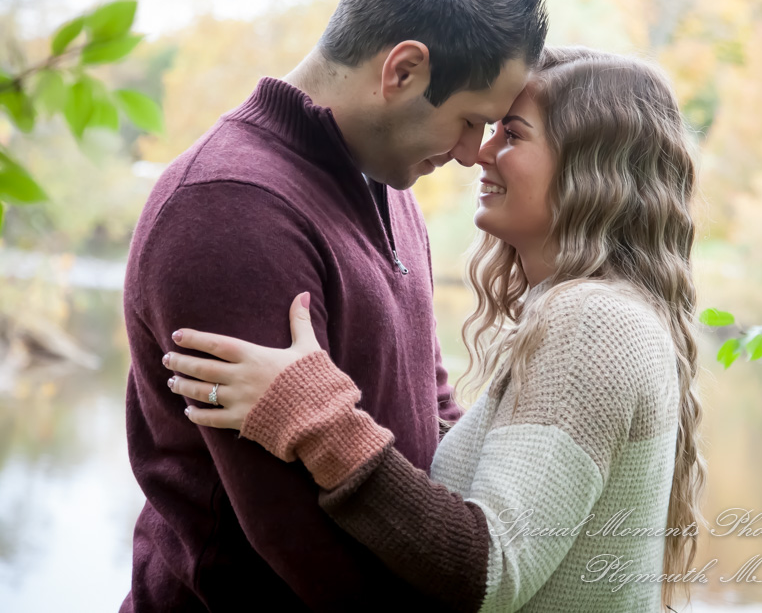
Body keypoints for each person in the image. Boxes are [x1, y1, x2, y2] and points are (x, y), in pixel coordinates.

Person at [163, 46, 707, 612]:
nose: (481, 153)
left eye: (512, 135)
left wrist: (313, 417)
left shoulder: (594, 321)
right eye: (486, 127)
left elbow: (494, 571)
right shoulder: (590, 311)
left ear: (592, 170)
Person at [121, 0, 549, 611]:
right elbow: (299, 544)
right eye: (471, 121)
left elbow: (430, 406)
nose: (474, 154)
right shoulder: (231, 211)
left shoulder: (390, 185)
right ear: (402, 70)